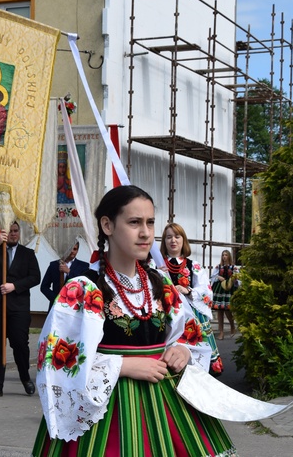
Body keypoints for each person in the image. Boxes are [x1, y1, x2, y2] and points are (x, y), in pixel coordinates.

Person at [33, 185, 237, 456]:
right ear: (107, 225)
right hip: (108, 410)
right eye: (134, 222)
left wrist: (182, 350)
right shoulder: (82, 290)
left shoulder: (161, 283)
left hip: (166, 403)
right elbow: (56, 361)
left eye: (150, 223)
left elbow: (190, 334)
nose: (145, 233)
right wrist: (122, 366)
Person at [0, 221, 41, 398]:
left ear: (19, 233)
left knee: (20, 344)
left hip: (18, 307)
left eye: (15, 231)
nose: (13, 234)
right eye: (9, 232)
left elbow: (35, 277)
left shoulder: (27, 254)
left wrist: (14, 286)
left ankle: (25, 378)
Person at [160, 222, 223, 376]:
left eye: (177, 236)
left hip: (191, 316)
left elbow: (206, 291)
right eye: (169, 237)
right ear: (164, 241)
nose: (173, 240)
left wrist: (187, 290)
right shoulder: (157, 264)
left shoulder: (193, 266)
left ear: (183, 240)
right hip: (166, 315)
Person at [40, 241, 89, 311]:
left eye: (75, 249)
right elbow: (44, 287)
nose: (72, 251)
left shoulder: (83, 266)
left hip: (74, 307)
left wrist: (69, 272)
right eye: (70, 249)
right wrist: (56, 299)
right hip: (56, 307)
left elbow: (84, 284)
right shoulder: (54, 265)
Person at [210, 249, 238, 340]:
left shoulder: (233, 267)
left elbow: (238, 278)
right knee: (219, 310)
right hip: (219, 289)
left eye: (226, 255)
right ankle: (221, 332)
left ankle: (232, 326)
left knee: (227, 310)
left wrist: (233, 279)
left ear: (229, 256)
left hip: (229, 289)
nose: (224, 257)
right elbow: (212, 277)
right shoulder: (218, 267)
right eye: (223, 255)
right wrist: (218, 277)